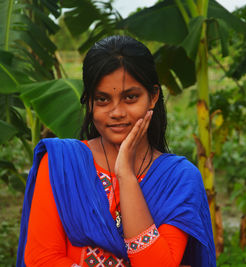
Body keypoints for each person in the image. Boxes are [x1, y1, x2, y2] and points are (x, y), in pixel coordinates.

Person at [17, 35, 216, 267]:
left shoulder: (179, 179)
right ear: (89, 103)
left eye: (130, 97)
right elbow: (41, 260)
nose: (116, 112)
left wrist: (126, 176)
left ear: (153, 97)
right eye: (102, 100)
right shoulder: (60, 164)